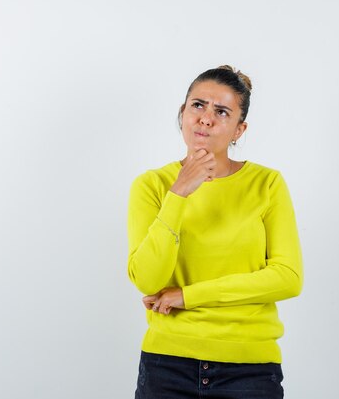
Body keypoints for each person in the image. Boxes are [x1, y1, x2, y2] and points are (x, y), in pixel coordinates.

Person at [127, 65, 303, 399]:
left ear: (239, 129)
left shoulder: (267, 184)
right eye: (198, 105)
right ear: (183, 113)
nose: (206, 118)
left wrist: (188, 296)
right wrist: (178, 194)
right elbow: (148, 280)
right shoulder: (152, 186)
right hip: (167, 366)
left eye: (221, 111)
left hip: (249, 370)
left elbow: (287, 277)